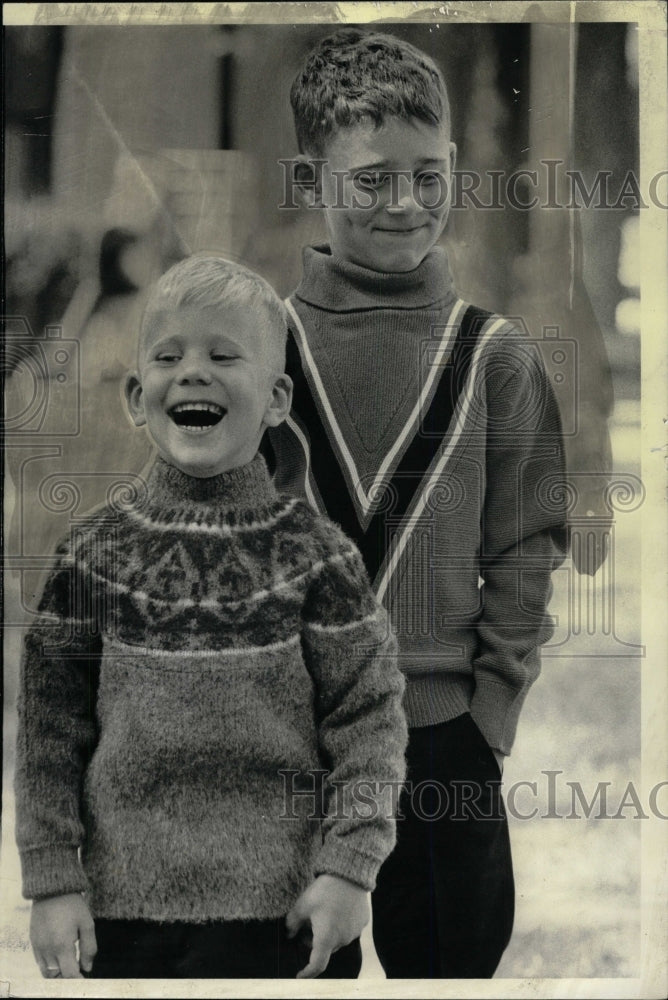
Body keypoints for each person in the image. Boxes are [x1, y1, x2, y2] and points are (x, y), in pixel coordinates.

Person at [266, 28, 570, 978]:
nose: (406, 204)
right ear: (313, 178)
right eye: (371, 179)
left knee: (453, 970)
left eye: (430, 175)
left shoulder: (498, 356)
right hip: (288, 739)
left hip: (444, 744)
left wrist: (492, 714)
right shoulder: (256, 345)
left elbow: (526, 543)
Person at [14, 255, 407, 980]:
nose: (193, 372)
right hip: (122, 922)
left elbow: (370, 722)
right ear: (137, 396)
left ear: (278, 397)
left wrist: (350, 870)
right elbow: (48, 730)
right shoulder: (91, 557)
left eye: (224, 355)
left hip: (286, 919)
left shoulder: (318, 559)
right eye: (169, 357)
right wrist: (52, 879)